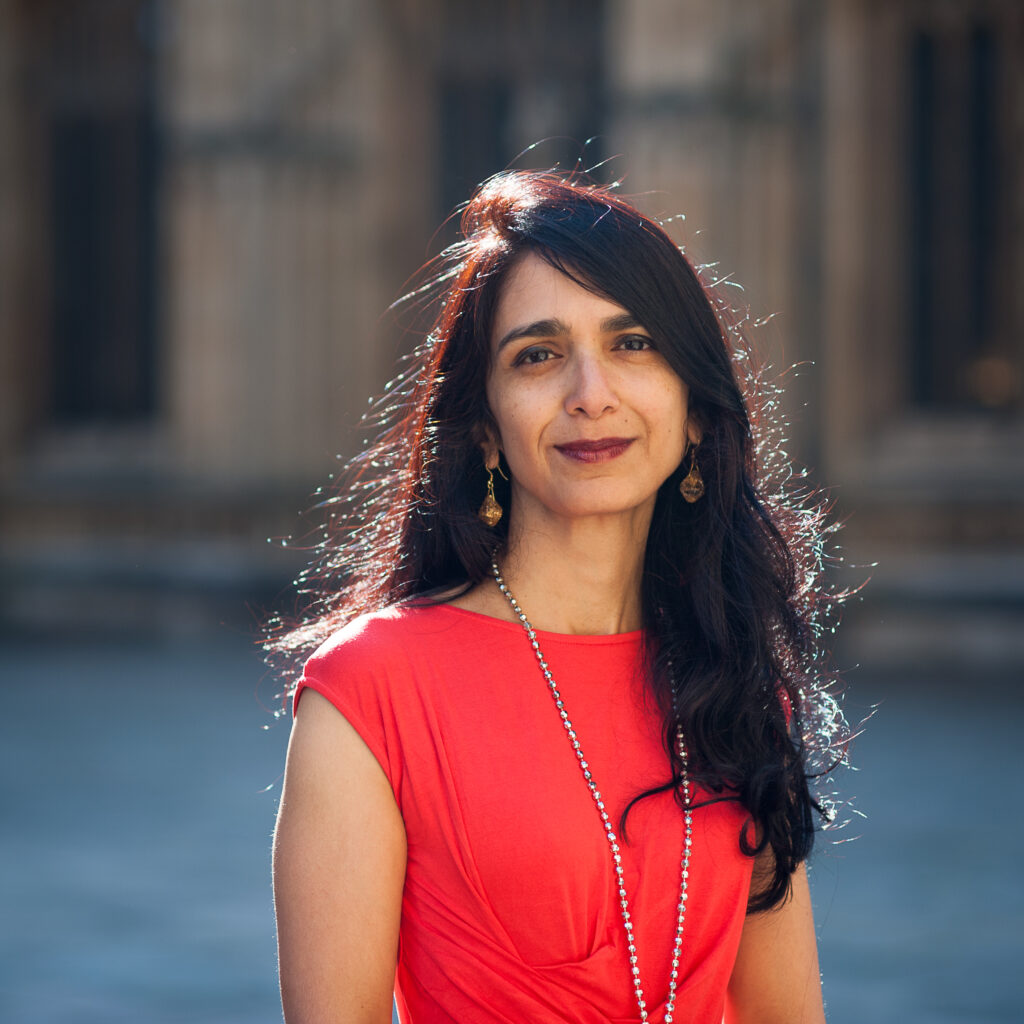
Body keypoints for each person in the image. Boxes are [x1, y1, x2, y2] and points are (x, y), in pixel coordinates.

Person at [270, 169, 846, 1024]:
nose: (590, 393)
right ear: (484, 425)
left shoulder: (737, 685)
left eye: (633, 344)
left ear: (693, 409)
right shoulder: (373, 691)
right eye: (537, 355)